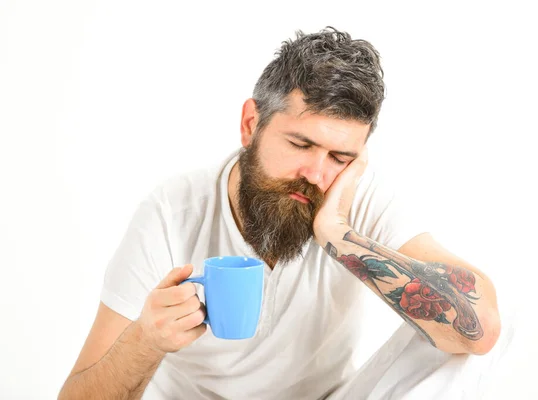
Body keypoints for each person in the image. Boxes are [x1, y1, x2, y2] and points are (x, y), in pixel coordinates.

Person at [58, 27, 501, 399]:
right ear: (251, 124)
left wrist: (339, 235)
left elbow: (480, 328)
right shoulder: (171, 212)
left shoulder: (356, 199)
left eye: (340, 157)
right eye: (301, 144)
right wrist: (145, 340)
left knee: (469, 327)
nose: (315, 173)